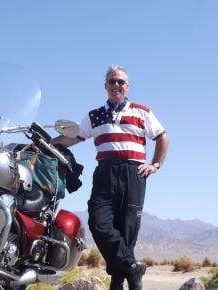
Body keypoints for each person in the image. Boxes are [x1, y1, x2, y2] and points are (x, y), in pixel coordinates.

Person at [52, 65, 169, 290]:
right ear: (105, 85)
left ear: (127, 86)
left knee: (128, 227)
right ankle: (132, 266)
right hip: (105, 172)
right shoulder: (94, 115)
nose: (116, 85)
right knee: (98, 222)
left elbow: (162, 137)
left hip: (134, 173)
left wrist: (155, 165)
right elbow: (73, 138)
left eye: (121, 82)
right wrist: (49, 142)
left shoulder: (141, 111)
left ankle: (119, 280)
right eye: (112, 81)